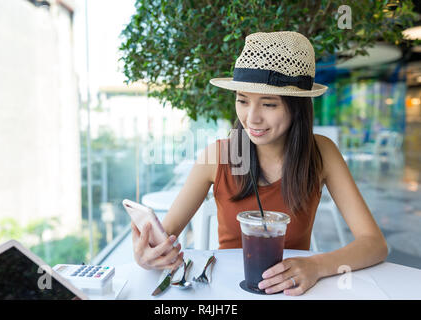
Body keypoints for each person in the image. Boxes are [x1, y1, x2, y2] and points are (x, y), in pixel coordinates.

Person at [131, 31, 388, 296]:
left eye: (268, 104)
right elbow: (165, 237)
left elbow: (374, 243)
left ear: (297, 107)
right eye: (242, 100)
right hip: (225, 292)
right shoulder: (217, 155)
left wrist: (316, 265)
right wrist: (147, 254)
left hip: (292, 291)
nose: (251, 118)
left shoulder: (321, 153)